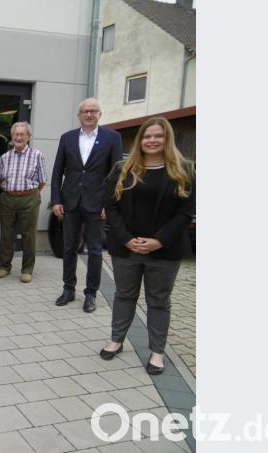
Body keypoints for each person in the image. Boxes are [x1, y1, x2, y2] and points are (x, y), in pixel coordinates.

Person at [98, 117, 195, 375]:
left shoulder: (184, 170)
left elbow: (186, 212)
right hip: (126, 247)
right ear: (140, 139)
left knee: (159, 301)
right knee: (124, 295)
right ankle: (117, 339)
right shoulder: (122, 168)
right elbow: (111, 206)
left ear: (167, 139)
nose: (152, 140)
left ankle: (157, 352)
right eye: (147, 136)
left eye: (158, 136)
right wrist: (127, 238)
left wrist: (158, 240)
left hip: (164, 250)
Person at [50, 98, 123, 313]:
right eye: (85, 111)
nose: (89, 115)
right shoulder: (67, 138)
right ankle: (68, 289)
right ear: (79, 115)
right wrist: (56, 200)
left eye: (93, 111)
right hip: (70, 202)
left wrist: (109, 205)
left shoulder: (112, 138)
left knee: (95, 251)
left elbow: (117, 174)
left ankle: (91, 293)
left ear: (100, 114)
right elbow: (57, 172)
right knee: (69, 247)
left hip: (96, 203)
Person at [0, 121, 48, 283]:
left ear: (28, 137)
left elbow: (42, 181)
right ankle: (4, 267)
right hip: (8, 198)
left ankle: (27, 269)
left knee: (28, 235)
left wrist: (28, 193)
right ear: (12, 136)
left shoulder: (37, 155)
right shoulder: (4, 157)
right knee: (6, 234)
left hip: (29, 198)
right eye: (16, 134)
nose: (18, 137)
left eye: (22, 134)